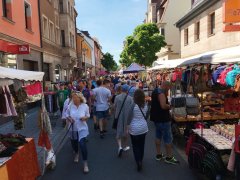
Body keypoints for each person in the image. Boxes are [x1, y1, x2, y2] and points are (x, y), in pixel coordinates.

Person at [150, 81, 179, 165]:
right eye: (168, 88)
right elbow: (163, 106)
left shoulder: (156, 91)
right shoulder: (161, 93)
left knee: (158, 136)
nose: (168, 90)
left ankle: (159, 155)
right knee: (168, 138)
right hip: (163, 119)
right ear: (166, 86)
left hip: (157, 118)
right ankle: (169, 157)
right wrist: (170, 106)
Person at [66, 92, 90, 173]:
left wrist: (85, 118)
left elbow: (88, 115)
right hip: (73, 128)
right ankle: (76, 153)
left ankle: (85, 163)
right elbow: (66, 114)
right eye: (73, 98)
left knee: (82, 145)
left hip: (82, 128)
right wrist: (70, 119)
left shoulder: (85, 106)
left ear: (80, 98)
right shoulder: (70, 105)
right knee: (74, 143)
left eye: (76, 98)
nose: (74, 99)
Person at [127, 89, 148, 171]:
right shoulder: (145, 105)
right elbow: (146, 115)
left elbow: (129, 117)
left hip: (134, 129)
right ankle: (141, 160)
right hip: (143, 128)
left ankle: (138, 161)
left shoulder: (133, 105)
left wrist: (127, 126)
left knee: (135, 146)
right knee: (142, 145)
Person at [114, 84, 133, 157]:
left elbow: (114, 106)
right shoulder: (130, 98)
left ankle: (120, 146)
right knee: (126, 131)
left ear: (121, 89)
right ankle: (125, 146)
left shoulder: (117, 97)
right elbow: (132, 109)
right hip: (127, 117)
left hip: (118, 116)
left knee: (118, 131)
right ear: (127, 90)